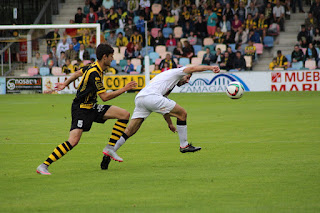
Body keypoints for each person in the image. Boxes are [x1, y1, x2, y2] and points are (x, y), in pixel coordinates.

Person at [36, 44, 137, 175]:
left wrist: (65, 83)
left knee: (124, 114)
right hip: (81, 109)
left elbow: (78, 73)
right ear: (104, 57)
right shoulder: (95, 73)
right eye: (111, 56)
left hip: (91, 106)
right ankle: (43, 166)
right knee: (73, 141)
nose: (112, 59)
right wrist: (124, 89)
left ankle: (110, 148)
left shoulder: (94, 66)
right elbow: (105, 97)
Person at [100, 65, 220, 169]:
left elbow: (164, 103)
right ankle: (184, 145)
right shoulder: (177, 72)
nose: (187, 81)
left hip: (141, 98)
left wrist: (169, 123)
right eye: (188, 77)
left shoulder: (169, 82)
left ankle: (109, 151)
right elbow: (193, 68)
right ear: (184, 73)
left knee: (130, 131)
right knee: (182, 113)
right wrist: (210, 68)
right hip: (151, 97)